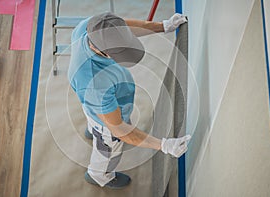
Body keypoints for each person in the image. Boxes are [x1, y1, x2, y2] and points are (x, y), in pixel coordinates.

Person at [67, 12, 191, 189]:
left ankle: (92, 129)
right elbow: (120, 130)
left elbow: (124, 26)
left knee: (94, 115)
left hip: (94, 101)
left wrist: (162, 26)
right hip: (103, 112)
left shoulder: (92, 27)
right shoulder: (95, 84)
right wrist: (164, 145)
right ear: (103, 51)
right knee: (109, 145)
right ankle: (99, 175)